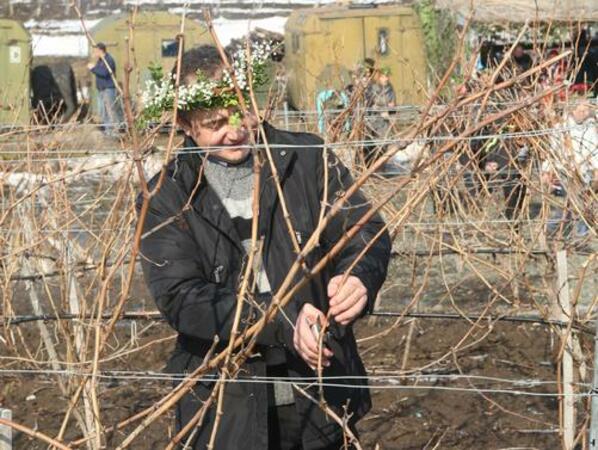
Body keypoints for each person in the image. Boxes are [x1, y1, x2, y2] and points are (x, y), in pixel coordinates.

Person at [137, 45, 391, 450]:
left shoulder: (305, 159)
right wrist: (282, 321)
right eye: (216, 122)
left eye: (242, 112)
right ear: (185, 123)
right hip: (227, 396)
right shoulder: (168, 195)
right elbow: (181, 296)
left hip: (317, 379)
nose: (235, 130)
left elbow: (364, 229)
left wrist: (359, 275)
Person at [542, 101, 597, 241]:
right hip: (564, 173)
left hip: (582, 175)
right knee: (571, 206)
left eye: (586, 111)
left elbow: (594, 152)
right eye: (581, 110)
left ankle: (579, 236)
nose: (583, 114)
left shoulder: (590, 130)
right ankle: (552, 230)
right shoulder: (560, 128)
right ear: (572, 110)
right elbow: (552, 152)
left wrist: (596, 171)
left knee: (582, 206)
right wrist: (547, 172)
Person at [87, 42, 122, 136]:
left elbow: (104, 73)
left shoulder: (108, 60)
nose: (93, 53)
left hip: (108, 89)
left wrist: (93, 68)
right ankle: (108, 130)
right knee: (103, 111)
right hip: (101, 90)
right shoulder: (100, 60)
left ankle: (114, 130)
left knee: (110, 110)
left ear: (100, 50)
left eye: (94, 51)